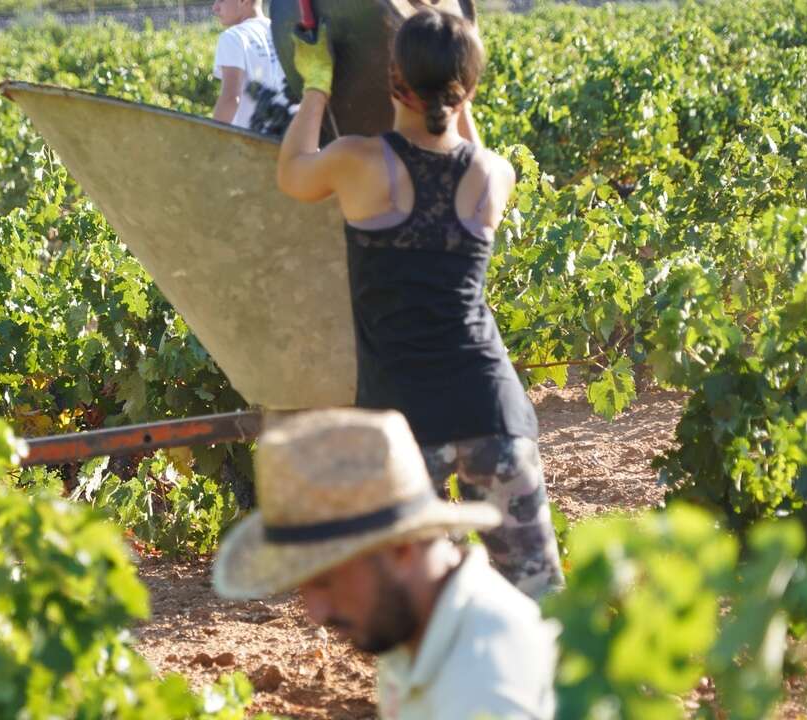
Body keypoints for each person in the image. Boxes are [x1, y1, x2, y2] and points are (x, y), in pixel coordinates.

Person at [274, 9, 563, 598]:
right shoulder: (494, 176)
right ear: (469, 89)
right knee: (539, 599)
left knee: (412, 606)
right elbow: (467, 144)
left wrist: (317, 83)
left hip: (402, 427)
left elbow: (292, 174)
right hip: (492, 411)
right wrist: (463, 90)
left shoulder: (357, 162)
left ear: (391, 78)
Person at [212, 408, 558, 719]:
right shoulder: (411, 629)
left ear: (402, 548)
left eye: (327, 580)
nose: (315, 612)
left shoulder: (486, 685)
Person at [211, 0, 288, 130]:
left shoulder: (233, 37)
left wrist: (210, 138)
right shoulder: (283, 32)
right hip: (289, 139)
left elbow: (230, 98)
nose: (215, 8)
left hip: (251, 141)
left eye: (221, 0)